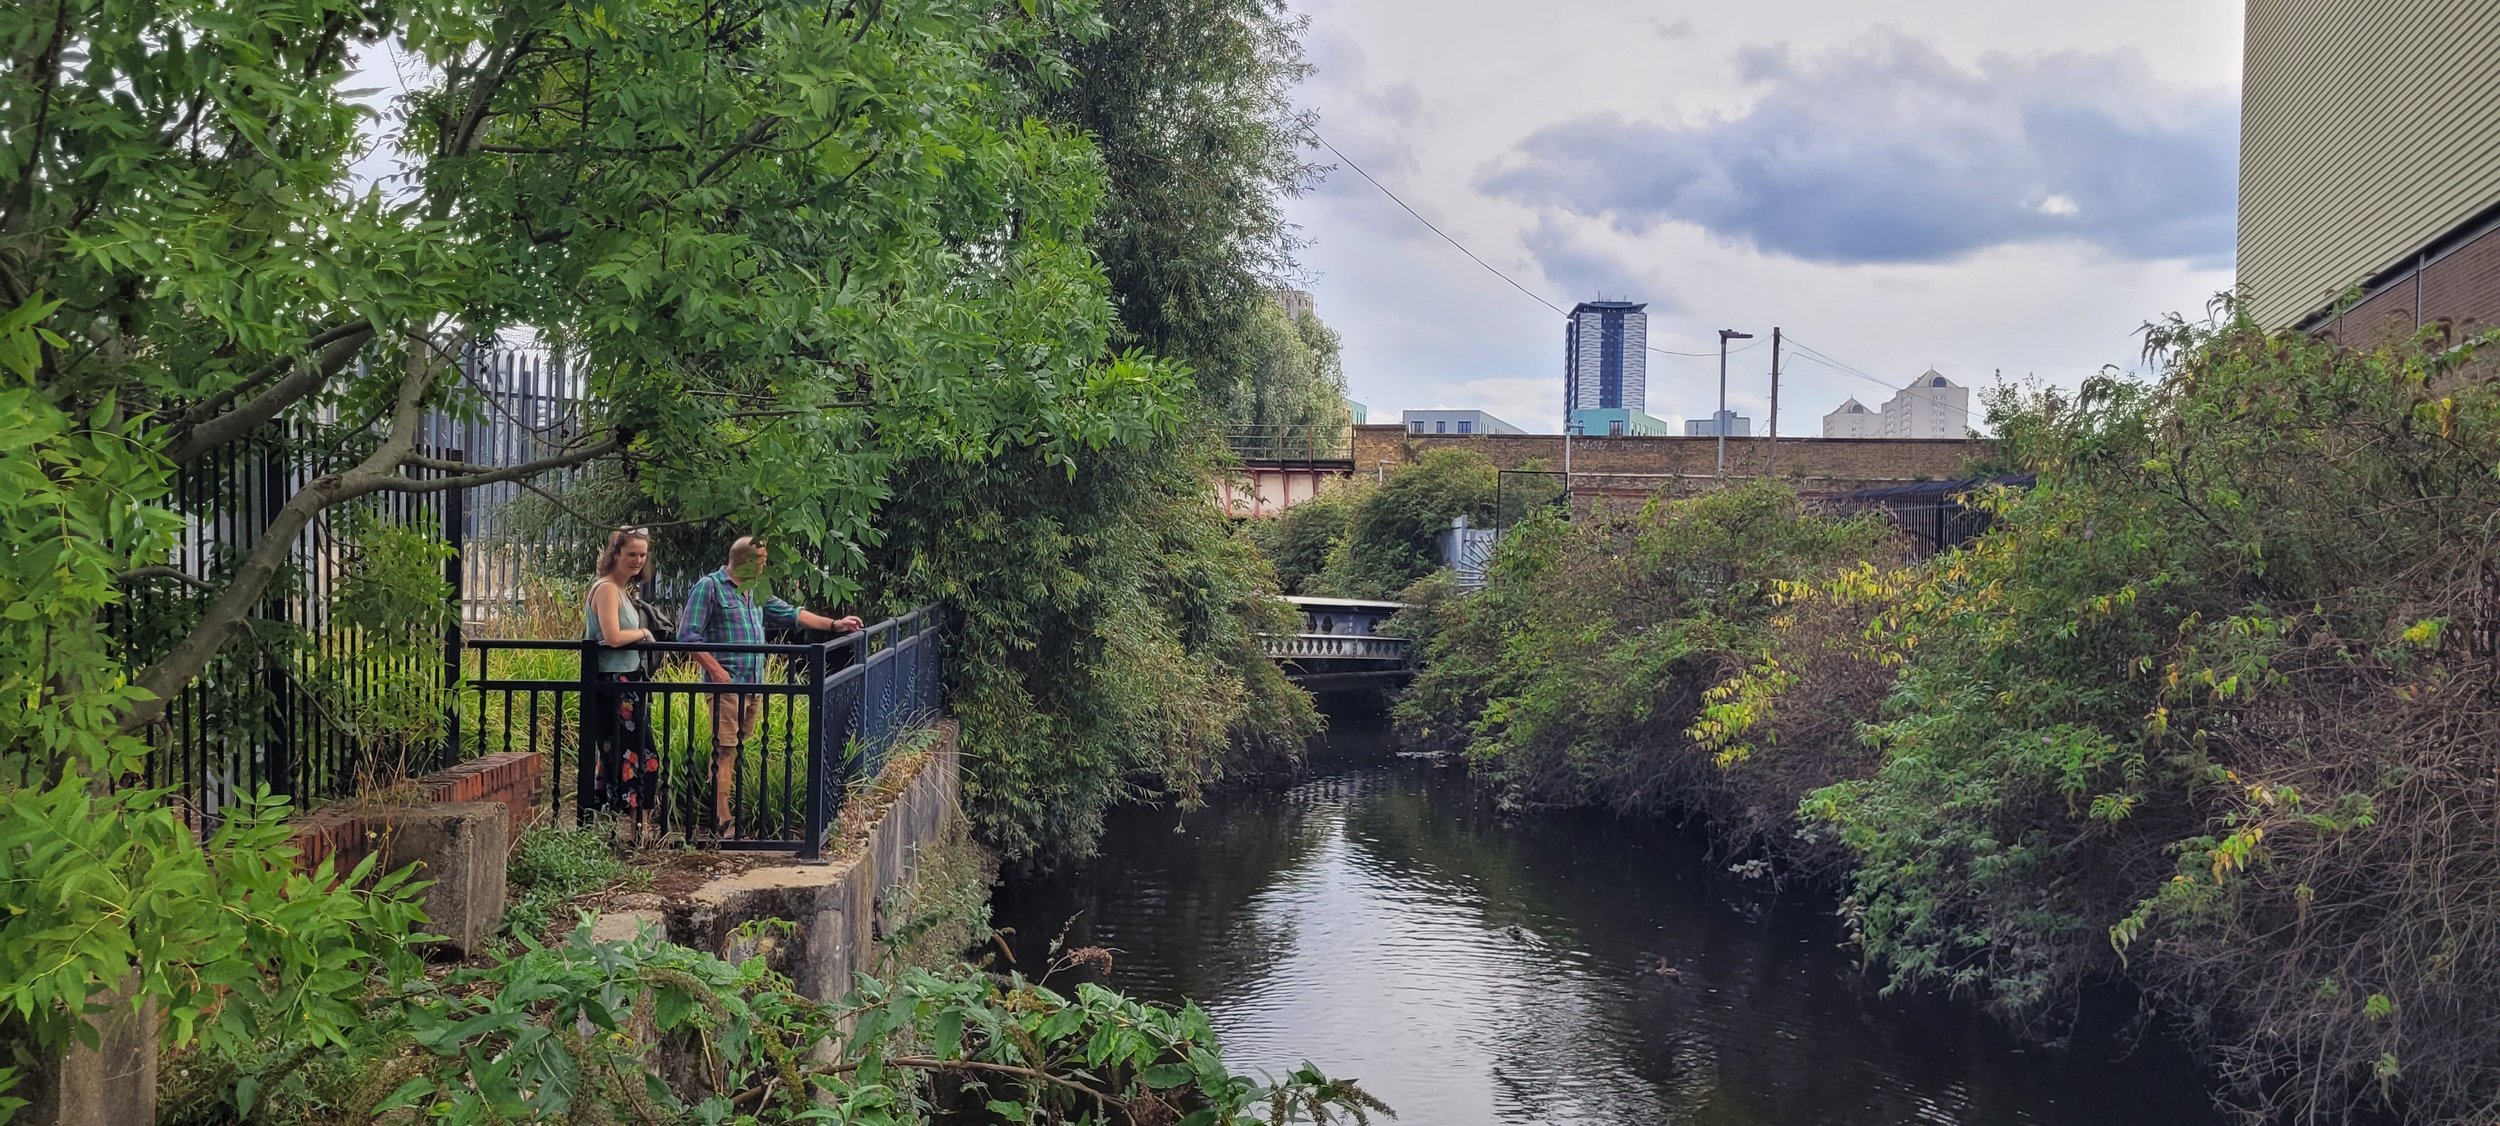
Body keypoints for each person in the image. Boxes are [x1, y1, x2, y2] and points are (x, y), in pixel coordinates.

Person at [678, 536, 863, 839]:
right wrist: (717, 672)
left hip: (751, 685)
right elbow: (687, 635)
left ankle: (725, 812)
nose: (765, 566)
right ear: (747, 561)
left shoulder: (755, 591)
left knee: (734, 750)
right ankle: (721, 822)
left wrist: (834, 625)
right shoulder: (709, 586)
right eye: (762, 560)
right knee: (724, 750)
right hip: (726, 685)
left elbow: (791, 613)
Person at [585, 527, 661, 847]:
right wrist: (643, 634)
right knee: (634, 755)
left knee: (633, 753)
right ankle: (632, 831)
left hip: (628, 681)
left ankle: (634, 830)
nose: (637, 560)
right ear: (615, 553)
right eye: (631, 554)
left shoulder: (622, 589)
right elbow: (612, 637)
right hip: (614, 684)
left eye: (642, 555)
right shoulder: (606, 589)